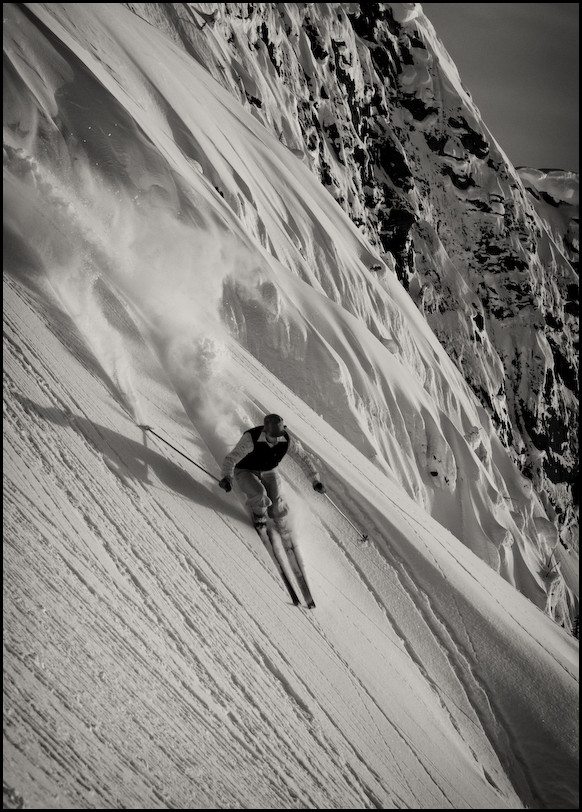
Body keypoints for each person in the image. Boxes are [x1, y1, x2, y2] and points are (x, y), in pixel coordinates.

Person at [218, 414, 325, 530]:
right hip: (246, 469)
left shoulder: (287, 440)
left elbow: (302, 458)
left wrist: (315, 480)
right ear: (266, 432)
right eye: (274, 436)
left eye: (279, 435)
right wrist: (227, 477)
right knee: (259, 494)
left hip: (269, 470)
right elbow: (232, 458)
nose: (277, 439)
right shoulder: (251, 438)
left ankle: (281, 521)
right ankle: (259, 515)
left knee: (277, 504)